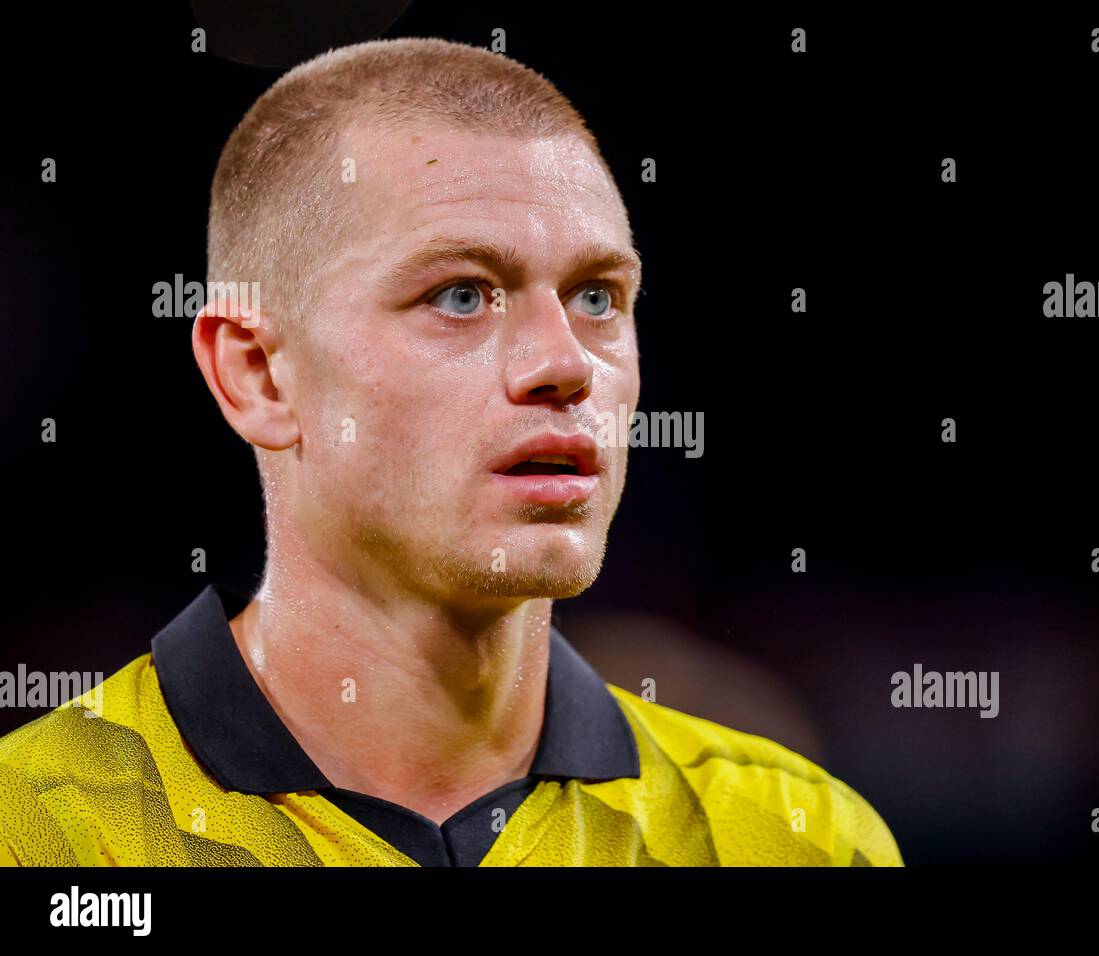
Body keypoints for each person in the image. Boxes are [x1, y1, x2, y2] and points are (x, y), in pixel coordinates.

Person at [0, 37, 901, 866]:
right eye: (462, 295)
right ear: (259, 378)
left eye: (597, 297)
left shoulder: (796, 840)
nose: (565, 364)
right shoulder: (42, 830)